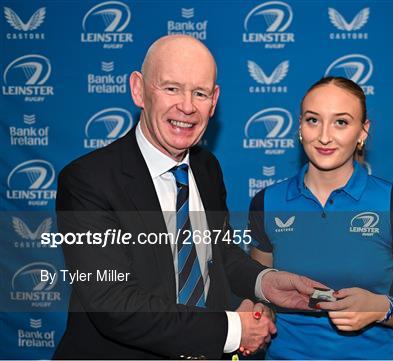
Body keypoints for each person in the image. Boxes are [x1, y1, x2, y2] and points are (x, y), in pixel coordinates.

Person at [54, 35, 321, 360]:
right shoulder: (87, 182)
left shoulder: (207, 168)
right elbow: (113, 303)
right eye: (171, 88)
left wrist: (265, 282)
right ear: (138, 90)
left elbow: (217, 251)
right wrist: (234, 330)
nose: (187, 106)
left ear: (214, 99)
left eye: (200, 92)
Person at [249, 76, 393, 359]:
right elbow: (259, 292)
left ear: (363, 131)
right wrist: (256, 313)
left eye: (341, 122)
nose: (325, 136)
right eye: (313, 120)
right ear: (300, 126)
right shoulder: (267, 202)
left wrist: (380, 307)